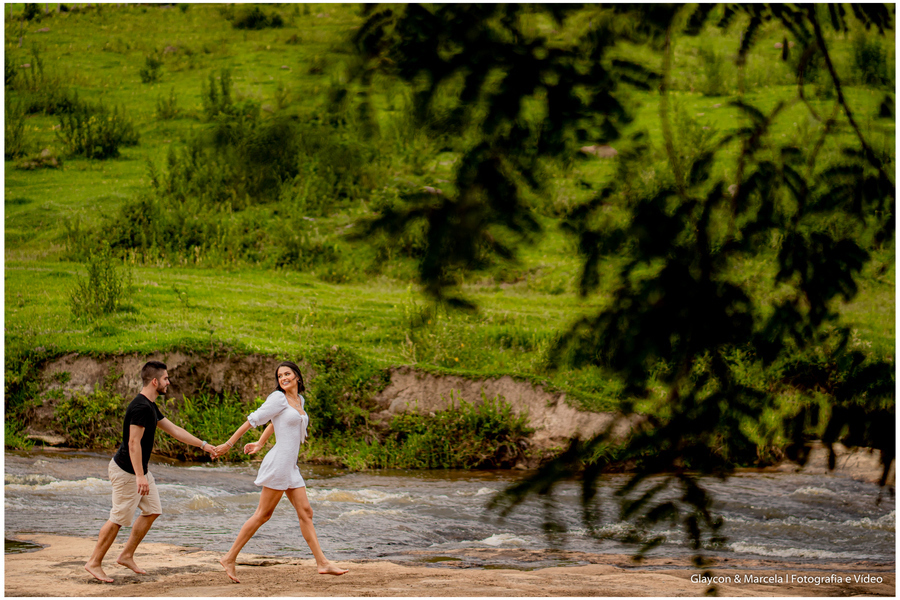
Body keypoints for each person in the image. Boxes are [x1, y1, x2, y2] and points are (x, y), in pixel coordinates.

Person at [85, 360, 219, 583]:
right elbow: (133, 443)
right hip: (127, 471)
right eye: (166, 378)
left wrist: (204, 445)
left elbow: (174, 430)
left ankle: (126, 555)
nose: (169, 382)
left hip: (139, 471)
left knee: (153, 510)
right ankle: (94, 562)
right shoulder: (140, 407)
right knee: (118, 518)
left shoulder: (150, 406)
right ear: (155, 381)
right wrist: (139, 476)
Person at [214, 360, 348, 582]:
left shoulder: (298, 400)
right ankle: (229, 557)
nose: (283, 378)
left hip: (291, 466)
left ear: (297, 376)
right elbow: (253, 420)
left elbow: (275, 424)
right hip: (279, 464)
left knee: (306, 512)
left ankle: (323, 563)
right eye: (279, 376)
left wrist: (259, 443)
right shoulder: (278, 398)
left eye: (287, 374)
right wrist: (228, 444)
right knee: (262, 514)